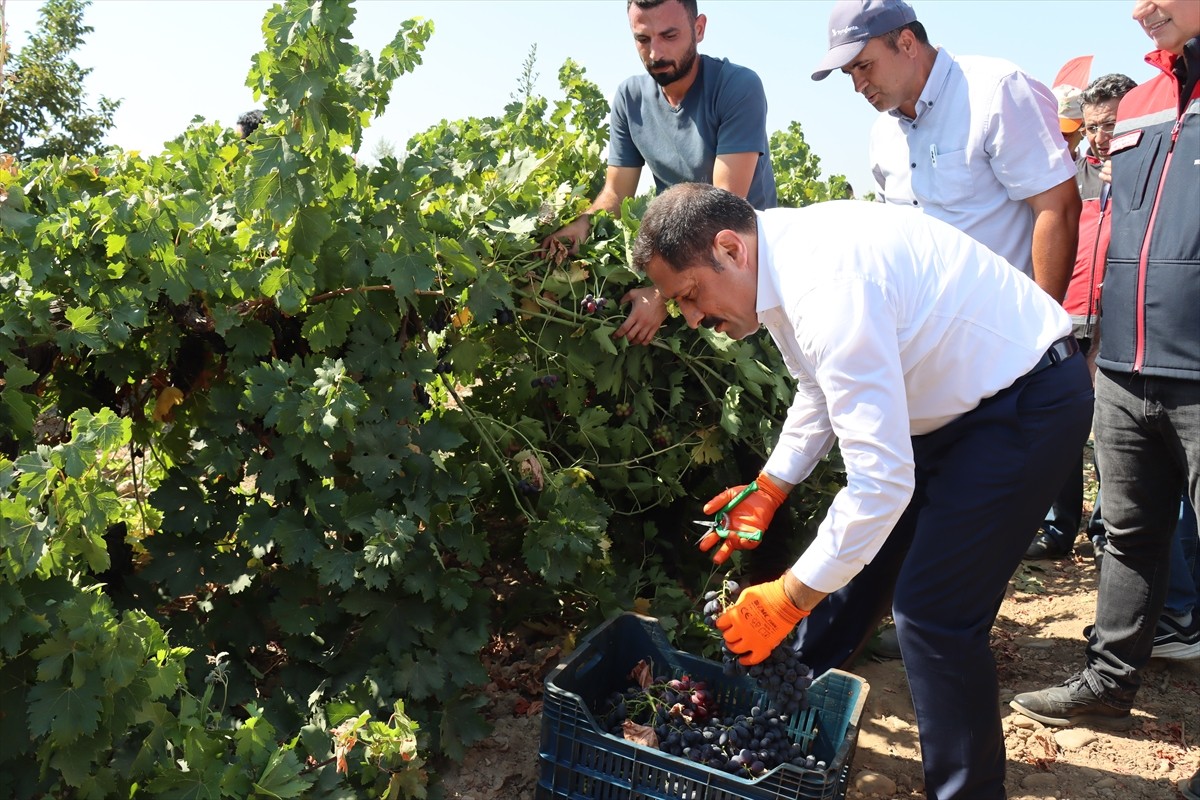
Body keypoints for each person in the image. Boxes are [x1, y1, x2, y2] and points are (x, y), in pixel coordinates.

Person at [633, 183, 1092, 800]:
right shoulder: (778, 269)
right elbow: (818, 388)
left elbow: (880, 485)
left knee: (935, 612)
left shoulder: (827, 286)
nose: (691, 318)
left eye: (690, 295)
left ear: (729, 249)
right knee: (852, 583)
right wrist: (771, 485)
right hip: (953, 411)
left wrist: (788, 597)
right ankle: (770, 734)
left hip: (1026, 403)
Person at [1011, 0, 1200, 728]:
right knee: (1127, 533)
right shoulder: (1141, 104)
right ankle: (1109, 682)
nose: (1140, 8)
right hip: (1124, 361)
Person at [811, 0, 1081, 302]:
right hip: (922, 326)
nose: (858, 85)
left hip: (1002, 323)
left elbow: (1058, 207)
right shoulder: (882, 133)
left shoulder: (996, 90)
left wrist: (1041, 320)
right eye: (848, 73)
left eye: (864, 65)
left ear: (907, 43)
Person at [540, 0, 776, 346]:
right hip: (686, 272)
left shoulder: (737, 86)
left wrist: (662, 294)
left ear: (699, 29)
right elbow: (616, 193)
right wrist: (583, 224)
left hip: (745, 277)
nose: (655, 53)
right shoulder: (631, 99)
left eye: (669, 36)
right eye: (643, 39)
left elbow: (724, 208)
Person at [1025, 72, 1138, 562]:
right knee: (1064, 424)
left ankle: (1106, 530)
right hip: (1068, 317)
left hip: (1123, 321)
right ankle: (1058, 528)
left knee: (1115, 432)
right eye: (1092, 126)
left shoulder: (1150, 175)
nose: (1100, 136)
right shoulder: (1071, 176)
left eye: (1110, 124)